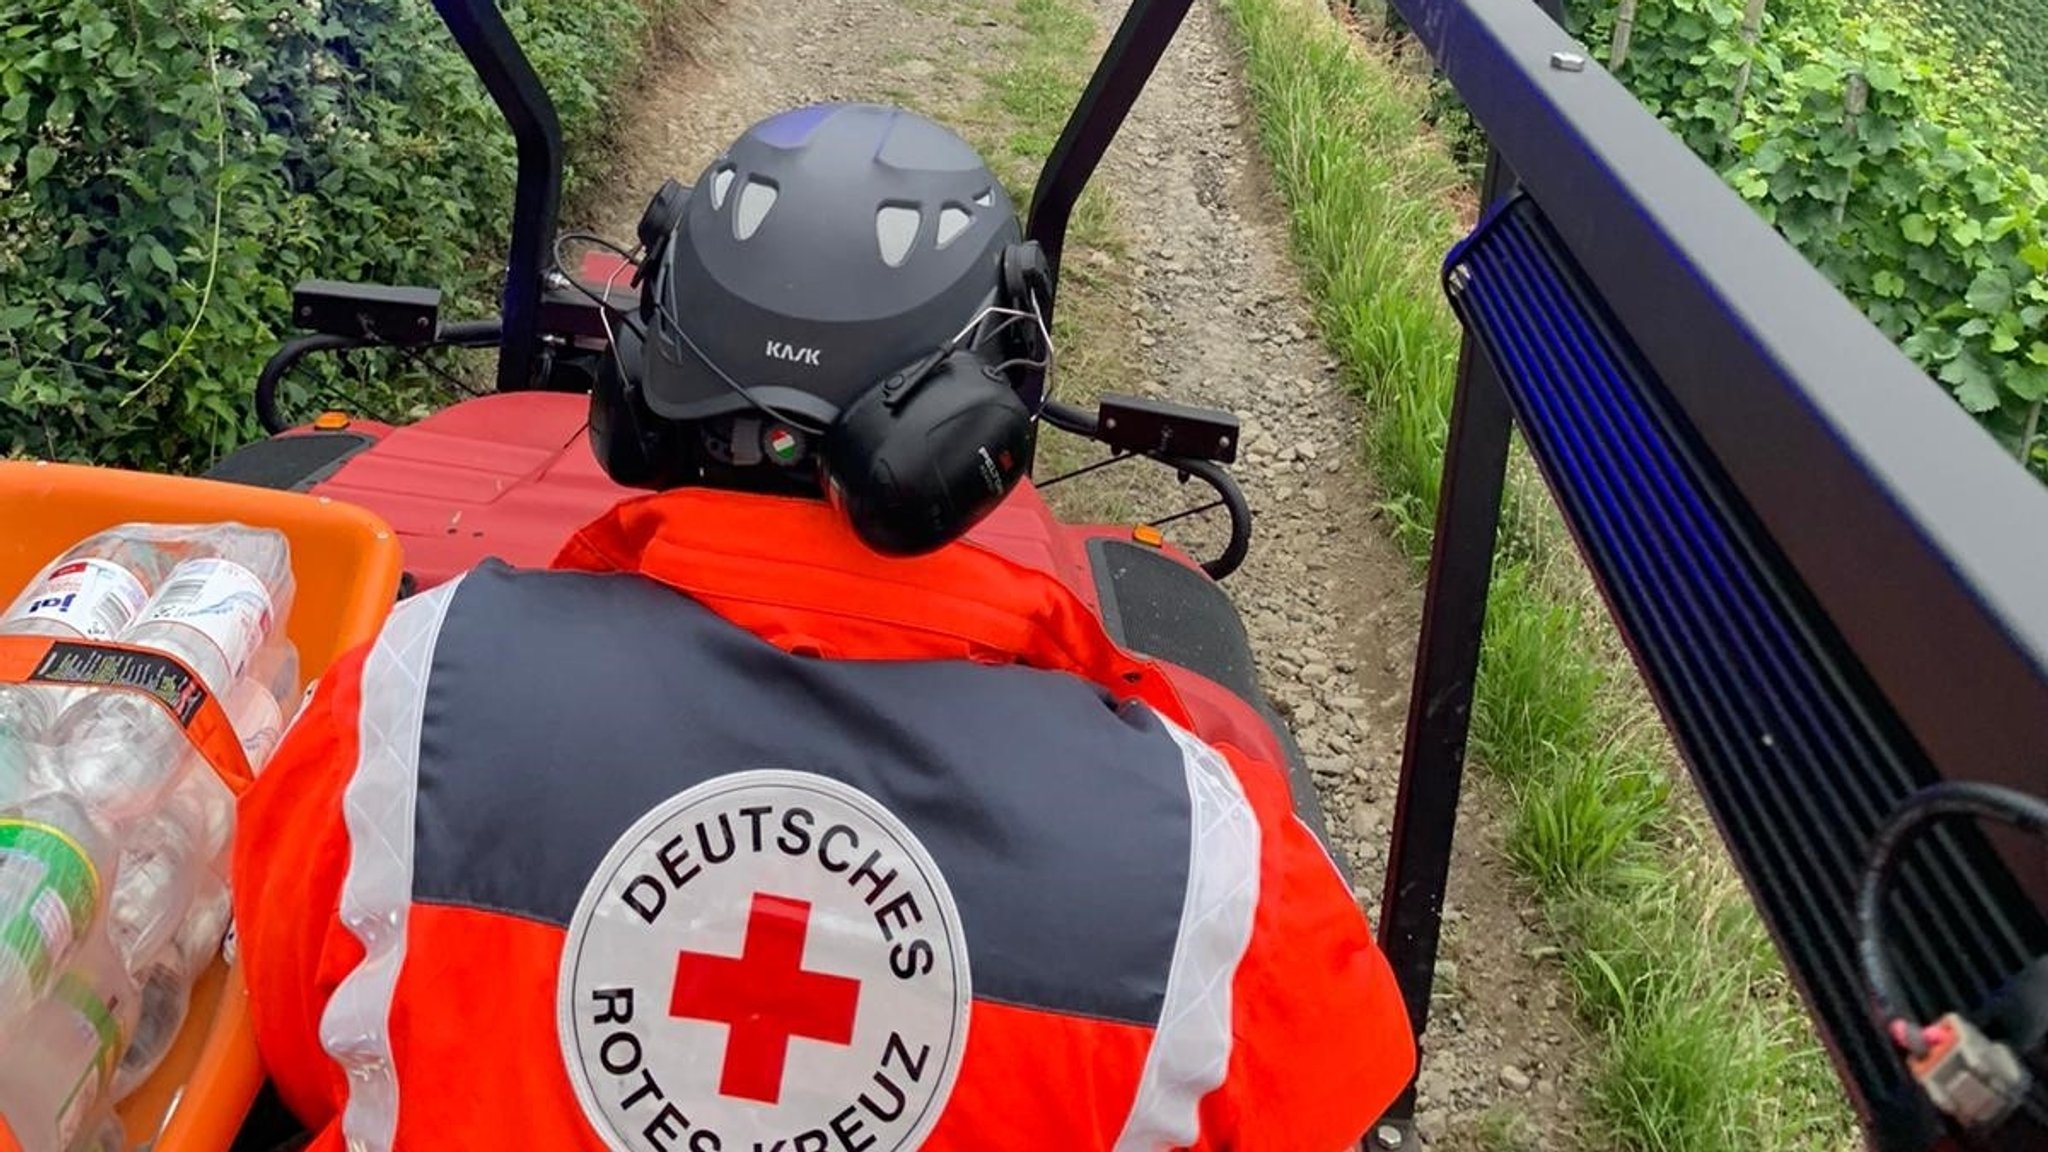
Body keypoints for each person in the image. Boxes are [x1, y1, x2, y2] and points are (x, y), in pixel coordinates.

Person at [231, 103, 1415, 1152]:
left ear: (646, 373)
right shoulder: (1211, 858)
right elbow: (1326, 1102)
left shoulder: (405, 697)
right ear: (984, 411)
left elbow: (294, 1045)